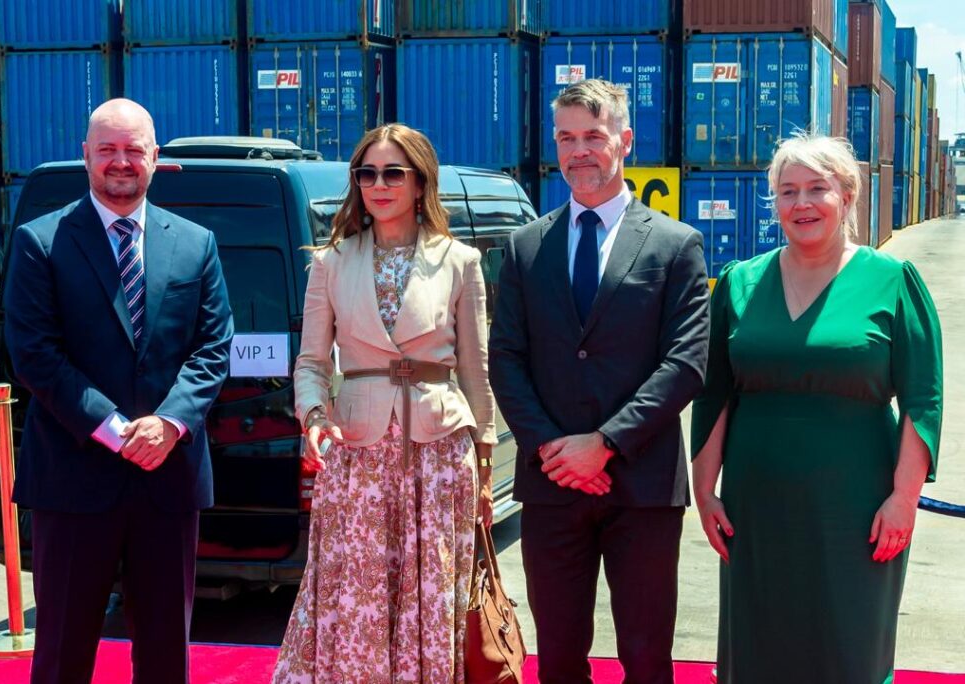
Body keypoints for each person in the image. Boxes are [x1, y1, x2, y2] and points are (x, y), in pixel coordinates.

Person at [691, 133, 942, 684]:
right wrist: (704, 492)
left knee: (849, 645)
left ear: (847, 196)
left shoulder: (892, 281)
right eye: (788, 191)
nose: (801, 203)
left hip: (857, 507)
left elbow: (923, 399)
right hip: (757, 506)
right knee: (759, 645)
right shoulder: (739, 282)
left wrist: (903, 500)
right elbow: (714, 394)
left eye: (816, 189)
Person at [4, 98, 234, 684]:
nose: (121, 162)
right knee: (62, 652)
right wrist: (114, 429)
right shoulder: (39, 242)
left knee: (165, 654)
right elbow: (34, 355)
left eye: (134, 149)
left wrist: (171, 423)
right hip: (72, 482)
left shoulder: (197, 244)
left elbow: (213, 347)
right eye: (107, 149)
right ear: (86, 155)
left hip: (168, 480)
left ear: (155, 157)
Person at [489, 79, 710, 684]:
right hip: (552, 483)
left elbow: (685, 363)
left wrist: (606, 443)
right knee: (558, 658)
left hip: (642, 486)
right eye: (566, 138)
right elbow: (505, 358)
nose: (579, 150)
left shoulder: (675, 245)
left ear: (625, 141)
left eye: (593, 135)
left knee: (646, 657)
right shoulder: (525, 247)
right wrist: (550, 448)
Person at [272, 124, 497, 683]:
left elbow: (476, 372)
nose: (378, 184)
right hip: (357, 455)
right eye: (366, 173)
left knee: (430, 596)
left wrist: (486, 464)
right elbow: (311, 363)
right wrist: (314, 414)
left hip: (438, 457)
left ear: (420, 183)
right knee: (356, 595)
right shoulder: (330, 262)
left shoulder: (460, 261)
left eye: (393, 172)